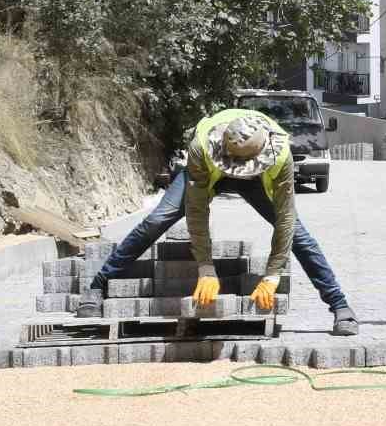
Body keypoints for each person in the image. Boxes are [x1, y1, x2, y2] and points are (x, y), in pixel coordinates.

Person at [76, 108, 360, 336]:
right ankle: (97, 286)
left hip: (255, 180)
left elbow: (285, 219)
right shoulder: (203, 146)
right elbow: (197, 212)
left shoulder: (280, 155)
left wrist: (272, 274)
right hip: (210, 170)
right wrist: (206, 268)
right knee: (156, 220)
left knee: (299, 235)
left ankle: (340, 306)